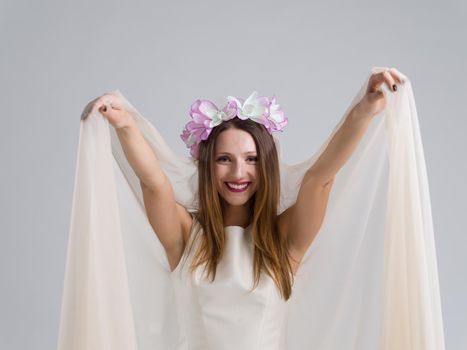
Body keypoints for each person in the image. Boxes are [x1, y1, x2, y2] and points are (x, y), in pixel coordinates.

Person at [58, 67, 445, 350]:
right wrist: (125, 125)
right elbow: (154, 182)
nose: (239, 172)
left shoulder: (284, 245)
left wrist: (365, 108)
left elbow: (320, 179)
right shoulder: (185, 239)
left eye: (252, 159)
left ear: (267, 166)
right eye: (224, 159)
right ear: (207, 166)